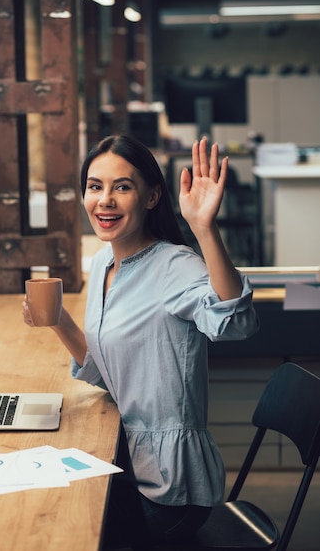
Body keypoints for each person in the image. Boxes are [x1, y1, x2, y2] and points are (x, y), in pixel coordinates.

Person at [22, 135, 259, 550]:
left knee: (61, 524)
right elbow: (108, 374)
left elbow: (236, 324)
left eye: (122, 187)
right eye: (95, 187)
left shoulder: (175, 265)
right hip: (129, 461)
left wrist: (204, 229)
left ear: (151, 197)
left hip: (170, 490)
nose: (105, 200)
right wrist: (59, 320)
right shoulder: (103, 262)